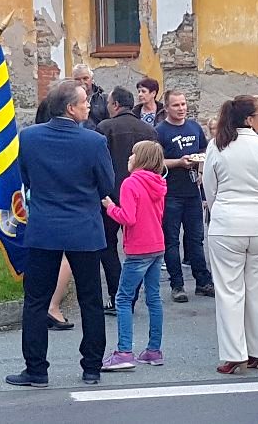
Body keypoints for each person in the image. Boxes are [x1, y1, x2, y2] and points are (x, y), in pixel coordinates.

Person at [6, 80, 115, 388]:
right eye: (84, 102)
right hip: (84, 229)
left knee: (36, 300)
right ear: (70, 108)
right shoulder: (94, 142)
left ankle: (36, 369)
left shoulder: (28, 137)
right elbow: (107, 185)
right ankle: (91, 367)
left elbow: (26, 179)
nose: (88, 105)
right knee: (90, 299)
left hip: (45, 228)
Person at [203, 95, 258, 374]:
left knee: (229, 291)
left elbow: (210, 188)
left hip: (227, 223)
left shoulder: (217, 145)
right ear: (249, 119)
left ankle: (234, 353)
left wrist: (221, 210)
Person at [101, 141, 168, 370]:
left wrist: (110, 207)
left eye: (133, 154)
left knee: (123, 298)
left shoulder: (130, 183)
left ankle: (124, 351)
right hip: (157, 244)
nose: (129, 157)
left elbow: (128, 218)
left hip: (138, 248)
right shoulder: (159, 182)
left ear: (141, 159)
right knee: (153, 298)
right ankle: (153, 349)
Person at [96, 87, 159, 315]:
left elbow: (100, 162)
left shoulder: (105, 128)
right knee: (139, 247)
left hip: (111, 195)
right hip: (142, 195)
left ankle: (118, 294)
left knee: (108, 246)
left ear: (115, 105)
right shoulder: (149, 130)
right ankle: (130, 295)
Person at [156, 90, 215, 302]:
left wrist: (200, 169)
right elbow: (156, 162)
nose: (181, 108)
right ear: (166, 108)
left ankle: (203, 282)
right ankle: (177, 285)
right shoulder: (160, 131)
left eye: (183, 104)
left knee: (196, 239)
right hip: (170, 193)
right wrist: (179, 163)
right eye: (176, 105)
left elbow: (205, 151)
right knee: (171, 241)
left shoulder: (194, 127)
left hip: (192, 193)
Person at [32, 96, 76, 331]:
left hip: (38, 209)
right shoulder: (79, 141)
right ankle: (52, 305)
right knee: (64, 257)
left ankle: (46, 305)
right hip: (61, 211)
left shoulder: (29, 138)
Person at [72, 64, 108, 130]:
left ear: (92, 79)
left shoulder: (104, 99)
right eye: (77, 79)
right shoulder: (68, 100)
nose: (82, 82)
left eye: (85, 78)